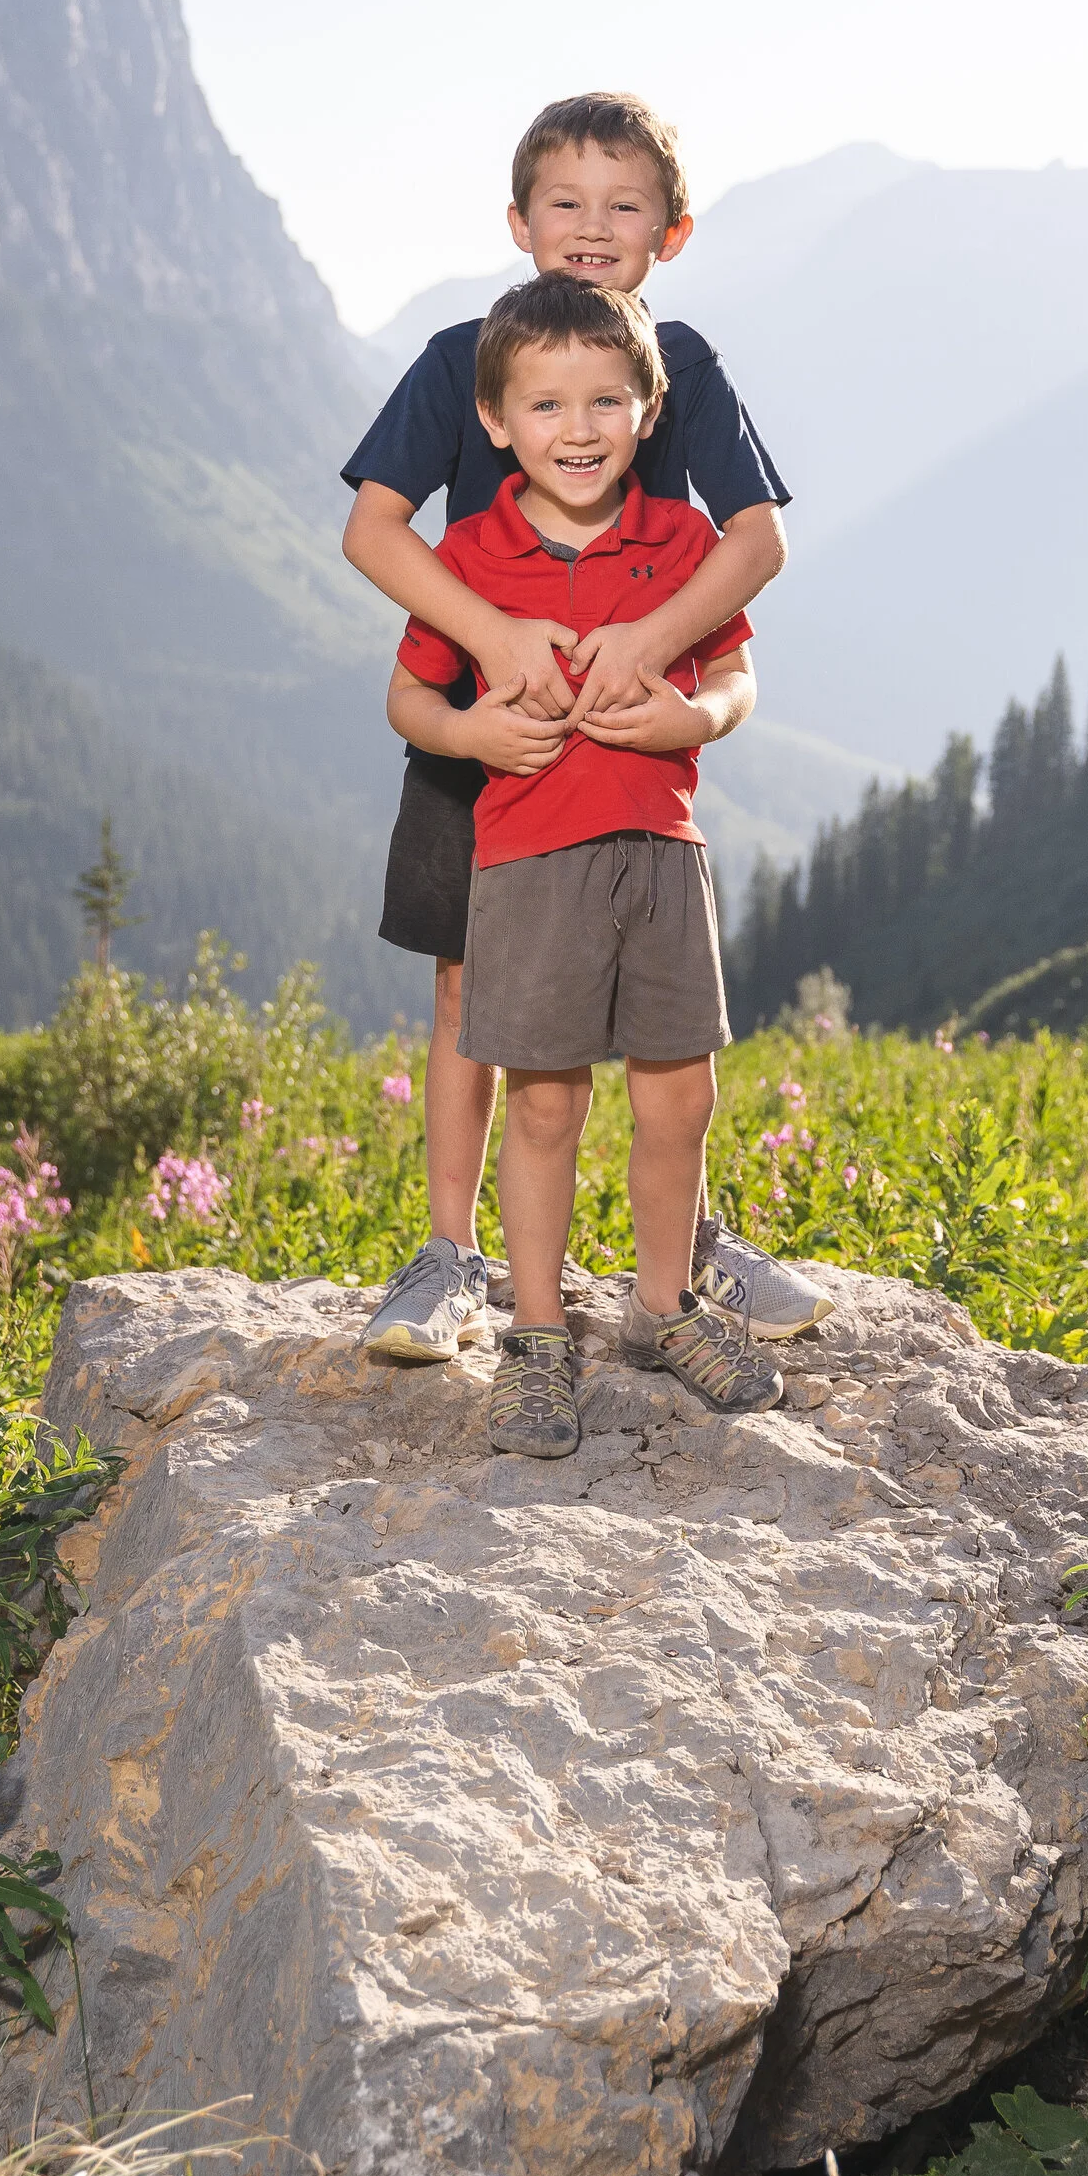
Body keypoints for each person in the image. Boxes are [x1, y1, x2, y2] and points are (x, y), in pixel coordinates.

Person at [341, 89, 828, 1363]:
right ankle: (453, 1257)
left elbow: (756, 540)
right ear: (519, 221)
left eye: (624, 205)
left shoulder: (688, 368)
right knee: (470, 984)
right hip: (483, 723)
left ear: (671, 234)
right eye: (566, 202)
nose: (593, 227)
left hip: (629, 739)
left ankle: (691, 1246)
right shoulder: (462, 358)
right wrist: (493, 645)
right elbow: (372, 528)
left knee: (660, 1024)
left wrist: (654, 659)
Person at [385, 272, 782, 1455]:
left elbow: (733, 677)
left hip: (665, 852)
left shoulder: (683, 542)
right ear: (496, 422)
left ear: (646, 411)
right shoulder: (468, 556)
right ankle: (540, 1337)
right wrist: (467, 733)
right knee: (545, 1104)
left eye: (605, 401)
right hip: (528, 864)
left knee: (682, 1096)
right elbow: (409, 693)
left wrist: (695, 721)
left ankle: (665, 1310)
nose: (579, 429)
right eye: (547, 406)